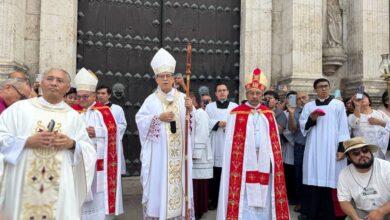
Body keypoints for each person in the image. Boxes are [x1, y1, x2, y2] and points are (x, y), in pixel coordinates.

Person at [0, 68, 96, 220]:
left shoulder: (73, 117)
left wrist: (71, 144)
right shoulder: (19, 109)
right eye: (50, 79)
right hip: (22, 182)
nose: (54, 83)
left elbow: (88, 150)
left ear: (67, 88)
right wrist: (25, 142)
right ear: (41, 83)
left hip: (59, 184)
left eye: (60, 81)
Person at [217, 68, 289, 219]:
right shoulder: (236, 113)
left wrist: (272, 161)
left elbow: (274, 142)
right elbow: (231, 142)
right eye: (251, 93)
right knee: (244, 193)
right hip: (243, 162)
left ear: (262, 95)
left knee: (265, 191)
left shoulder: (268, 115)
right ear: (246, 94)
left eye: (257, 93)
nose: (254, 96)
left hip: (263, 160)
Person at [135, 48, 194, 219]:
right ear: (156, 79)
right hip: (159, 156)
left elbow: (193, 125)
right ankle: (158, 213)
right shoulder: (151, 100)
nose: (166, 79)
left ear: (173, 78)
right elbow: (140, 120)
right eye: (162, 76)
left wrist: (192, 111)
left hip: (179, 156)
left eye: (168, 75)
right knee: (159, 185)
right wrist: (158, 118)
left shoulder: (184, 98)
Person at [73, 68, 124, 219]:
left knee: (98, 195)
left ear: (94, 95)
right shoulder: (73, 113)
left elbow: (115, 132)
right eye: (79, 96)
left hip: (99, 164)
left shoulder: (104, 111)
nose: (81, 99)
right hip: (80, 161)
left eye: (85, 96)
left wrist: (98, 132)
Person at [299, 78, 350, 220]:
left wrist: (341, 149)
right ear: (315, 89)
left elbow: (343, 128)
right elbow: (303, 127)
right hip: (314, 148)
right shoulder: (309, 106)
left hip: (332, 148)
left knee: (330, 182)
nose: (324, 89)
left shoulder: (338, 104)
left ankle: (330, 215)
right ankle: (313, 214)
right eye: (320, 87)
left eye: (326, 86)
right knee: (314, 184)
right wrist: (312, 119)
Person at [338, 137, 390, 220]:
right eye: (356, 153)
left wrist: (381, 211)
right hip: (362, 213)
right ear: (349, 158)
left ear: (370, 152)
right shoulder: (344, 174)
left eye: (365, 150)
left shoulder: (386, 167)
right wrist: (355, 218)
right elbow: (344, 201)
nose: (362, 154)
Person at [205, 82, 238, 210]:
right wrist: (217, 123)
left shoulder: (235, 107)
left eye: (224, 90)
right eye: (219, 90)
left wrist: (228, 124)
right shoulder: (210, 107)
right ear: (216, 93)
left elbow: (238, 123)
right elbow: (205, 122)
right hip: (215, 142)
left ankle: (229, 199)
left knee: (229, 172)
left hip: (229, 142)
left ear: (228, 92)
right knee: (216, 173)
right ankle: (214, 200)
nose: (222, 92)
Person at [190, 92, 213, 219]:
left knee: (198, 184)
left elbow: (203, 133)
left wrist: (195, 153)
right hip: (191, 156)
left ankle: (199, 210)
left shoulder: (201, 114)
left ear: (195, 101)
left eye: (190, 100)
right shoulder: (191, 114)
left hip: (200, 155)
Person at [286, 91, 309, 213]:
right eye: (299, 98)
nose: (301, 100)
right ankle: (300, 200)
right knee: (299, 173)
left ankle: (311, 200)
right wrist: (290, 114)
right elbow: (293, 129)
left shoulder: (313, 110)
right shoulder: (295, 112)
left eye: (304, 97)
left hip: (314, 147)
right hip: (300, 146)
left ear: (308, 97)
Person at [96, 85, 128, 175]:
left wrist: (108, 130)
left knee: (112, 172)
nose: (100, 96)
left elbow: (122, 125)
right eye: (98, 93)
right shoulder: (93, 109)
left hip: (112, 143)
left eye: (103, 93)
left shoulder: (117, 109)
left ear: (109, 95)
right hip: (97, 143)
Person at [348, 92, 389, 159]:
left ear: (369, 101)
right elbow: (354, 124)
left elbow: (388, 127)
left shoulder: (380, 113)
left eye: (364, 97)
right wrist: (357, 106)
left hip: (381, 152)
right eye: (359, 99)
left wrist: (380, 122)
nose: (362, 99)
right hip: (363, 152)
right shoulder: (352, 116)